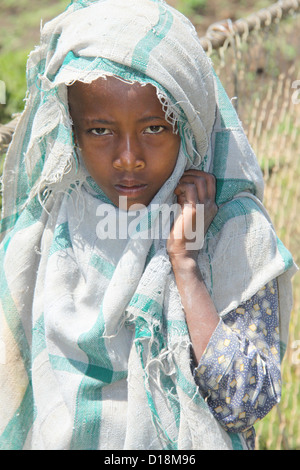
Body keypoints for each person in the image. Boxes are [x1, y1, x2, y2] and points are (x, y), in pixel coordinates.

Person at [0, 0, 297, 451]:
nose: (128, 157)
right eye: (100, 131)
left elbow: (246, 402)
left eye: (155, 128)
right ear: (73, 131)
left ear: (192, 125)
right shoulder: (52, 223)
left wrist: (185, 265)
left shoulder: (231, 230)